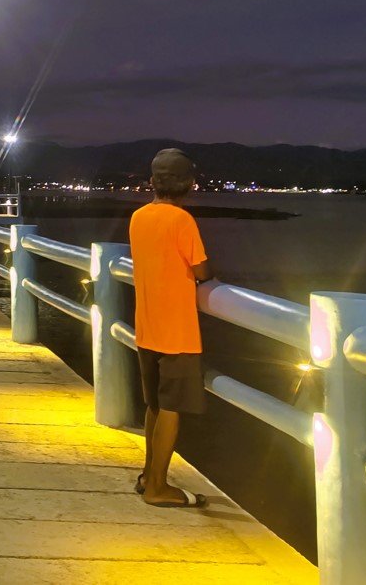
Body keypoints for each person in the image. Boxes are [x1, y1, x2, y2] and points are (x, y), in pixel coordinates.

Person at [130, 148, 213, 509]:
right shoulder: (182, 221)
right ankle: (158, 488)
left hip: (146, 325)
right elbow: (201, 271)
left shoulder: (138, 216)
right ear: (189, 185)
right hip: (177, 329)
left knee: (154, 405)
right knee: (172, 408)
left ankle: (149, 474)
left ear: (153, 182)